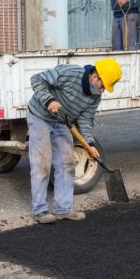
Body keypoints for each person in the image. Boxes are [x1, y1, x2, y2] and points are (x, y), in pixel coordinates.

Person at [27, 58, 122, 224]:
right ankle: (39, 210)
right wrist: (49, 100)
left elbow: (86, 120)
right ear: (95, 76)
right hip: (40, 116)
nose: (103, 90)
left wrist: (90, 145)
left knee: (67, 163)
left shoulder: (95, 97)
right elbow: (37, 79)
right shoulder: (70, 73)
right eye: (102, 86)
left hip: (63, 121)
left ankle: (63, 209)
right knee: (41, 163)